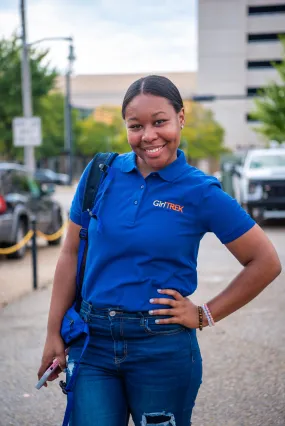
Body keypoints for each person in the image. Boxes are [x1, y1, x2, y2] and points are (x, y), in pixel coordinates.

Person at [38, 75, 281, 426]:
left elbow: (265, 262)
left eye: (160, 122)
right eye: (135, 126)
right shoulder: (100, 175)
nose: (148, 136)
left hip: (161, 348)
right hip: (93, 345)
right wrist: (53, 333)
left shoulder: (200, 191)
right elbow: (70, 253)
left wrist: (204, 314)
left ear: (181, 118)